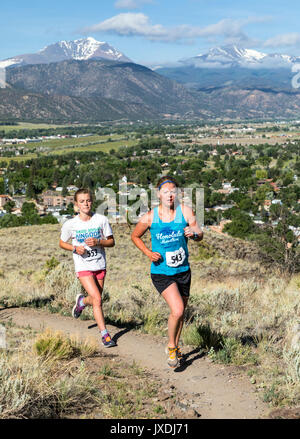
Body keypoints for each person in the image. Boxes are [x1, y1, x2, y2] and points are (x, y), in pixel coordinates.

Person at [131, 176, 203, 368]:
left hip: (183, 271)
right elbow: (135, 236)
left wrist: (193, 234)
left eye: (173, 191)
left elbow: (199, 234)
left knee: (181, 313)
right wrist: (148, 252)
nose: (170, 195)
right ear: (158, 194)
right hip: (162, 272)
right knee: (177, 309)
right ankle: (171, 346)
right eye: (165, 191)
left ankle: (176, 345)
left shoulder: (185, 211)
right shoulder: (150, 217)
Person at [59, 187, 116, 348]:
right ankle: (105, 335)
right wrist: (75, 248)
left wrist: (99, 242)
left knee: (96, 299)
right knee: (97, 299)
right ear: (76, 204)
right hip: (83, 265)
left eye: (88, 200)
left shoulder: (101, 220)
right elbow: (62, 243)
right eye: (82, 201)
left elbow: (111, 242)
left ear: (92, 201)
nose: (86, 204)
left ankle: (82, 301)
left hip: (99, 264)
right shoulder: (71, 224)